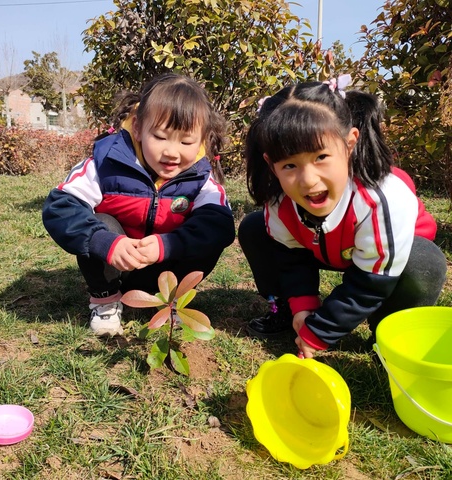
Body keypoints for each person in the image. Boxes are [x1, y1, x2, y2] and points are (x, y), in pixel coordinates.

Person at [238, 78, 447, 358]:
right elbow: (291, 258)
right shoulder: (280, 201)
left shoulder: (382, 199)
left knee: (424, 262)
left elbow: (370, 283)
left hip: (391, 258)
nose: (308, 181)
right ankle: (284, 310)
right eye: (289, 165)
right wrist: (303, 305)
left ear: (349, 144)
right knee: (254, 228)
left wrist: (321, 332)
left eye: (321, 157)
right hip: (326, 247)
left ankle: (388, 332)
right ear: (271, 165)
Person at [43, 73, 235, 337]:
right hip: (115, 265)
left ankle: (172, 303)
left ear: (202, 139)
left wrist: (168, 244)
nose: (172, 152)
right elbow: (60, 207)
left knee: (207, 230)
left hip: (163, 270)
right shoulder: (105, 163)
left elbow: (221, 226)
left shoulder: (202, 177)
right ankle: (106, 300)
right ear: (137, 128)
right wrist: (105, 243)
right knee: (101, 224)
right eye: (160, 136)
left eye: (186, 141)